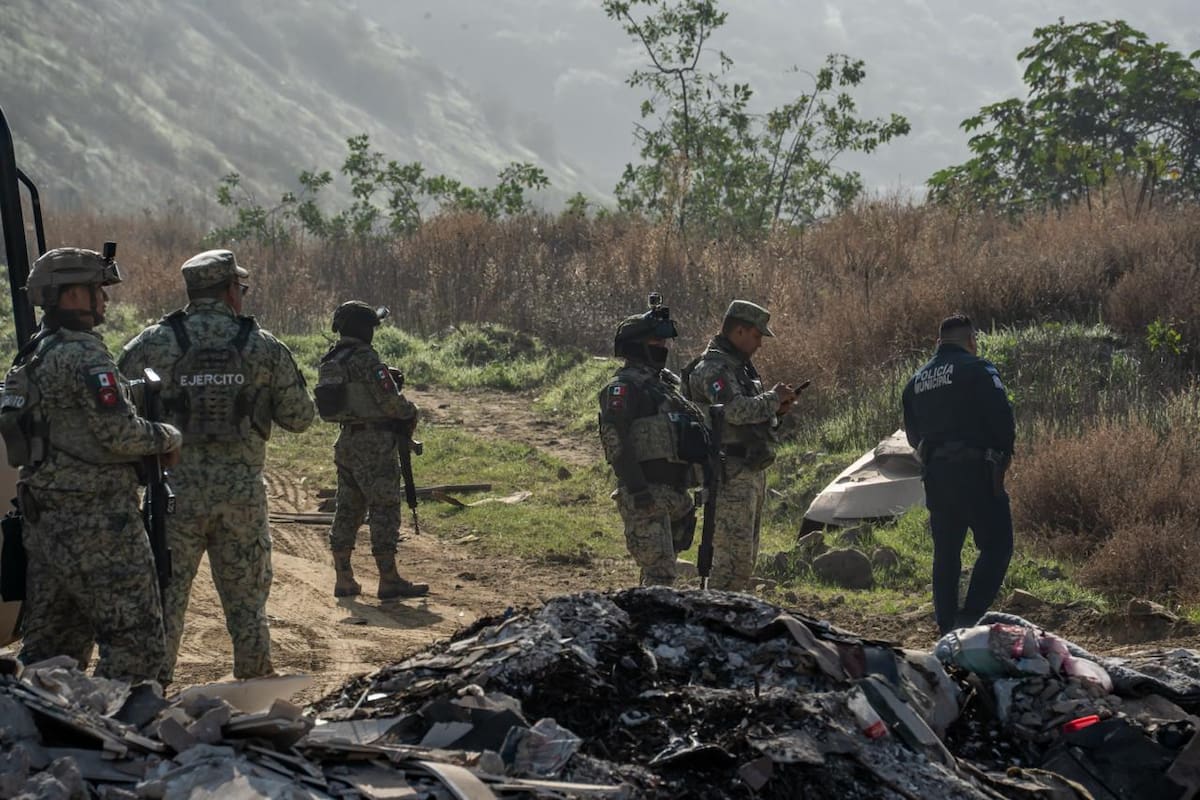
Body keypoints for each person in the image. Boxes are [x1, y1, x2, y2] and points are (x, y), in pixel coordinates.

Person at [118, 249, 314, 683]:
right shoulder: (263, 346)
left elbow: (115, 414)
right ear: (229, 291)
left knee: (165, 603)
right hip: (241, 500)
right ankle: (254, 689)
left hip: (173, 498)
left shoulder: (152, 342)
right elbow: (300, 418)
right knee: (247, 607)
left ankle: (152, 691)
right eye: (239, 288)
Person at [4, 246, 182, 680]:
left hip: (45, 519)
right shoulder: (85, 355)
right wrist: (168, 436)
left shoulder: (34, 352)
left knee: (51, 650)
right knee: (136, 645)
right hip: (97, 521)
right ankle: (127, 736)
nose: (104, 299)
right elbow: (118, 434)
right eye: (96, 289)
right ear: (70, 296)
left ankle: (35, 733)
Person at [902, 313, 1015, 635]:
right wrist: (1002, 456)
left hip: (936, 474)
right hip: (976, 471)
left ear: (938, 343)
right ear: (971, 342)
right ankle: (971, 617)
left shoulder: (916, 381)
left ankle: (945, 625)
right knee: (997, 545)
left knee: (946, 551)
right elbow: (1002, 420)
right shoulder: (978, 369)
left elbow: (912, 437)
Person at [314, 301, 427, 599]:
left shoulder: (332, 359)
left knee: (348, 509)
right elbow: (392, 403)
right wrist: (410, 411)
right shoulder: (366, 359)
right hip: (374, 445)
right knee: (384, 507)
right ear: (366, 330)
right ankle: (389, 579)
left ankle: (344, 578)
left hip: (347, 441)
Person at [684, 300, 797, 591]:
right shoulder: (713, 368)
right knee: (731, 563)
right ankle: (717, 620)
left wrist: (776, 412)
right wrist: (773, 399)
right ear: (739, 331)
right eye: (757, 336)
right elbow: (734, 410)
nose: (759, 344)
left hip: (748, 470)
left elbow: (748, 420)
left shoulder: (740, 369)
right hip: (728, 472)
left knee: (744, 561)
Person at [598, 297, 708, 586]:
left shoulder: (665, 388)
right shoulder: (624, 387)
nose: (663, 348)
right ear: (636, 345)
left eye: (663, 343)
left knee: (662, 574)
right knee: (660, 577)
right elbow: (614, 440)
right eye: (655, 342)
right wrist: (637, 489)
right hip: (646, 494)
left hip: (675, 495)